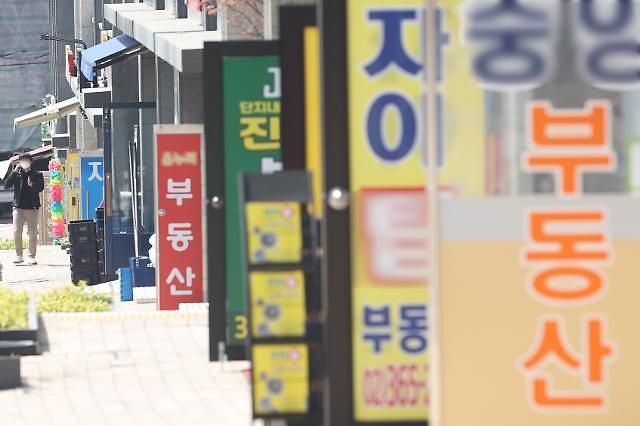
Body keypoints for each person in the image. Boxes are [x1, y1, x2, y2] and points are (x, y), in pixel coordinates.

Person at [3, 154, 45, 265]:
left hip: (32, 207)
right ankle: (19, 255)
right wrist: (14, 172)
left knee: (32, 232)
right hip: (18, 207)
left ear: (30, 162)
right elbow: (6, 184)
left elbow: (40, 188)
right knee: (16, 231)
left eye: (26, 160)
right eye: (21, 161)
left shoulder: (37, 174)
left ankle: (31, 256)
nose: (24, 162)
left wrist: (32, 185)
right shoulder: (17, 174)